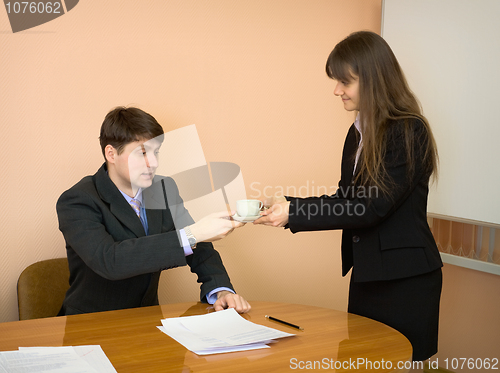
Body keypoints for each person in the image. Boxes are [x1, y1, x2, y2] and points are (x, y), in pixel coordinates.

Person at [254, 31, 442, 361]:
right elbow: (345, 197)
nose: (336, 90)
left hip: (405, 279)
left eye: (345, 81)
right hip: (369, 273)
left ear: (375, 79)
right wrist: (289, 205)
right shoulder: (357, 132)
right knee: (359, 361)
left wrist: (294, 215)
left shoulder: (409, 131)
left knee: (397, 363)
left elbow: (370, 207)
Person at [56, 106, 250, 315]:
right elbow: (110, 261)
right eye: (142, 153)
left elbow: (198, 248)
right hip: (91, 324)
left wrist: (221, 290)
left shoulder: (164, 189)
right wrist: (194, 233)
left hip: (147, 320)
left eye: (156, 152)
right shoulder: (77, 200)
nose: (154, 163)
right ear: (111, 153)